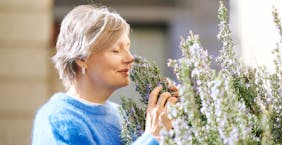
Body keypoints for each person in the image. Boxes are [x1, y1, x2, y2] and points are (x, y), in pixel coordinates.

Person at [31, 4, 178, 145]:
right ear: (82, 58)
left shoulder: (122, 115)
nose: (130, 58)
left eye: (128, 48)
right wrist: (152, 137)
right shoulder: (58, 119)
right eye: (115, 50)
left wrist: (176, 118)